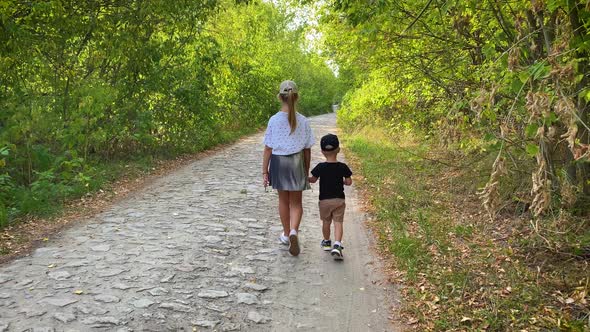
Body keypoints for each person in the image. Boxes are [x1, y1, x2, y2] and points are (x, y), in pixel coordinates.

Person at [262, 80, 315, 256]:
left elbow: (268, 148)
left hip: (278, 162)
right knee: (297, 203)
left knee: (283, 201)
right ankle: (294, 231)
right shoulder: (304, 121)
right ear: (296, 97)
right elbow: (307, 150)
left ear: (280, 97)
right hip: (296, 163)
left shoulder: (274, 120)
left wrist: (265, 171)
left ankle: (286, 234)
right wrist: (306, 171)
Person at [308, 134, 352, 260]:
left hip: (324, 201)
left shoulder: (320, 167)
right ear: (338, 150)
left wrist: (303, 178)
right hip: (339, 200)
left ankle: (327, 242)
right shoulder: (343, 167)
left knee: (326, 222)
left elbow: (312, 180)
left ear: (322, 151)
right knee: (338, 222)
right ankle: (337, 244)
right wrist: (343, 181)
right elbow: (349, 182)